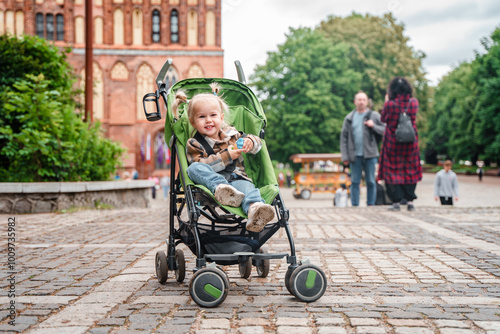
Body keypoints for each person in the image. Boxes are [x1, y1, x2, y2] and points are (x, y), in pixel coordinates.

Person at [172, 83, 274, 233]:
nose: (208, 120)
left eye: (213, 115)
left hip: (236, 179)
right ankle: (224, 190)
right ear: (193, 122)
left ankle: (255, 210)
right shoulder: (194, 143)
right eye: (202, 117)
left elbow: (258, 145)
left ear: (221, 117)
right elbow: (201, 165)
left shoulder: (233, 134)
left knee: (249, 189)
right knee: (194, 168)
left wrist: (251, 142)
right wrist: (227, 156)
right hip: (210, 186)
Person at [377, 77, 422, 211]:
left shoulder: (390, 104)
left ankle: (396, 201)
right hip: (410, 143)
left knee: (392, 171)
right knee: (410, 170)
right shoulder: (414, 103)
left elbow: (383, 118)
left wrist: (386, 102)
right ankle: (410, 201)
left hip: (393, 142)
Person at [340, 91, 386, 206]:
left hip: (370, 154)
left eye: (363, 100)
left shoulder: (374, 116)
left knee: (371, 181)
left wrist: (373, 125)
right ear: (355, 102)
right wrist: (345, 156)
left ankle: (371, 204)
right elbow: (344, 138)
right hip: (354, 155)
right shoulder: (349, 118)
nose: (361, 102)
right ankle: (355, 205)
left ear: (367, 101)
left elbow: (385, 130)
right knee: (355, 181)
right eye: (359, 100)